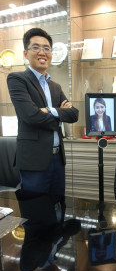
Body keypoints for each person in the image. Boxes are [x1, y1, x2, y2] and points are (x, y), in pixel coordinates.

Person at [7, 28, 79, 225]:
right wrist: (58, 112)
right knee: (35, 213)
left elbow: (74, 114)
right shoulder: (17, 79)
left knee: (58, 206)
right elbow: (30, 116)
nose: (42, 52)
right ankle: (37, 253)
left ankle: (53, 249)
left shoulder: (55, 86)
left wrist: (48, 110)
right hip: (33, 160)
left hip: (58, 159)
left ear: (51, 53)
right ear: (25, 53)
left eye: (46, 48)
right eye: (36, 47)